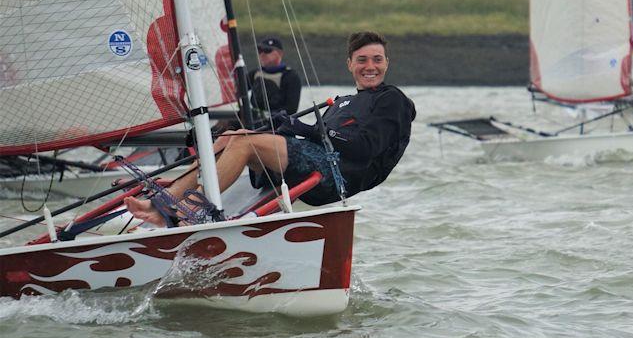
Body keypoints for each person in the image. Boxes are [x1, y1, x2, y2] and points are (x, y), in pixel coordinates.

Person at [125, 31, 416, 225]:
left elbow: (365, 147)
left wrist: (304, 128)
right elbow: (319, 139)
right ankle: (163, 203)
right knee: (231, 136)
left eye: (377, 60)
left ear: (387, 63)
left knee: (246, 143)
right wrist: (288, 128)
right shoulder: (343, 101)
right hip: (314, 162)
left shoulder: (392, 99)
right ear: (350, 64)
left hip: (337, 177)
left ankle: (188, 211)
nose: (370, 66)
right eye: (362, 60)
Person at [249, 37, 301, 117]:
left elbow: (291, 109)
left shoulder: (291, 77)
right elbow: (236, 90)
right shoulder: (254, 73)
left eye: (267, 51)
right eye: (260, 51)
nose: (262, 54)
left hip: (277, 122)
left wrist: (272, 116)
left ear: (280, 53)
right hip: (255, 119)